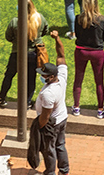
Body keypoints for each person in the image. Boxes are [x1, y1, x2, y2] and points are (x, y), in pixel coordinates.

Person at [28, 33, 70, 175]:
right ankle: (64, 171)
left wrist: (37, 128)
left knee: (49, 148)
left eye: (44, 75)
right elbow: (61, 56)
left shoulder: (48, 94)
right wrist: (58, 39)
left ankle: (50, 172)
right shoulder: (62, 76)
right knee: (60, 145)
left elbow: (45, 116)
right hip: (62, 118)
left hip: (51, 124)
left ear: (51, 77)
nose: (41, 76)